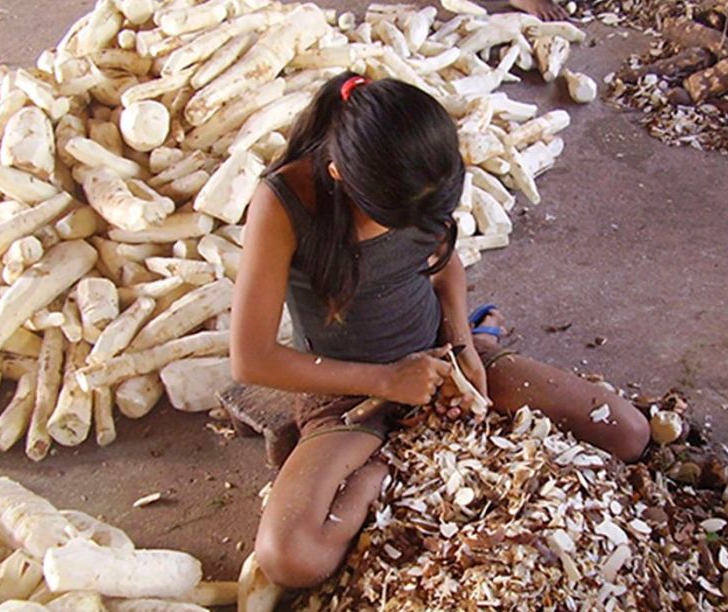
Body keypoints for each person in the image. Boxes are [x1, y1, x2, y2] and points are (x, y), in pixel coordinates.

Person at [230, 72, 651, 588]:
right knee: (289, 557)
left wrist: (460, 344)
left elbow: (444, 262)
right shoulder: (283, 202)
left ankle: (481, 343)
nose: (418, 228)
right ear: (341, 175)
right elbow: (250, 358)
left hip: (443, 363)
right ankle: (384, 470)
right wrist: (386, 382)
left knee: (628, 434)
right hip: (348, 396)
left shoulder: (420, 167)